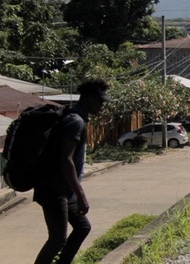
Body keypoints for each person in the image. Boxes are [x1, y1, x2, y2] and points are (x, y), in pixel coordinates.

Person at [34, 78, 111, 264]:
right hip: (53, 189)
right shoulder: (75, 121)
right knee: (57, 239)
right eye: (100, 101)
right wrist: (81, 194)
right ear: (88, 98)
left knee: (82, 227)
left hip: (63, 188)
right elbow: (66, 160)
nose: (102, 106)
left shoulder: (74, 116)